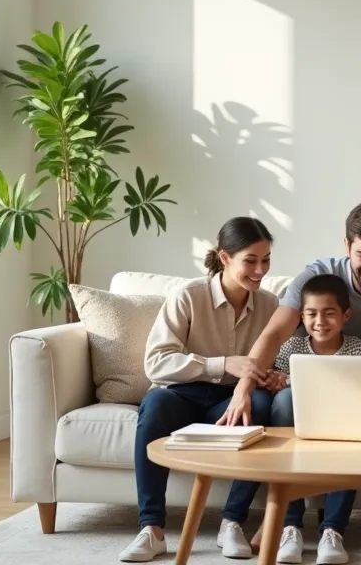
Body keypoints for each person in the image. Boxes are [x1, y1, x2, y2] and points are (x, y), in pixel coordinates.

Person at [120, 217, 279, 563]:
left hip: (229, 400)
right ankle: (152, 529)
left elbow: (275, 358)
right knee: (155, 403)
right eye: (250, 260)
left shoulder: (269, 305)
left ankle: (232, 522)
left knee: (263, 404)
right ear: (225, 258)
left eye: (265, 260)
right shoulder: (188, 297)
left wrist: (268, 375)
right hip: (182, 395)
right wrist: (222, 363)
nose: (260, 270)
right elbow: (156, 363)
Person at [217, 274, 361, 564]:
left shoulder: (358, 350)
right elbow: (273, 385)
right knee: (285, 412)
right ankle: (291, 526)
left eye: (329, 314)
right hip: (296, 428)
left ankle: (332, 532)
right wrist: (277, 380)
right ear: (301, 316)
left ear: (346, 316)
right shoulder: (291, 348)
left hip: (340, 426)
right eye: (311, 314)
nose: (320, 322)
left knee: (352, 449)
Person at [217, 200, 361, 428]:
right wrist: (243, 389)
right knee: (286, 399)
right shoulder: (318, 275)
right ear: (347, 246)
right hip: (309, 383)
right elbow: (276, 334)